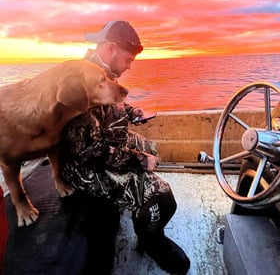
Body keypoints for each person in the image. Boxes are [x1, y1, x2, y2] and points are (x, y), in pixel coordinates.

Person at [58, 21, 190, 274]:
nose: (131, 65)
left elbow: (110, 105)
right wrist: (139, 161)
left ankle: (136, 205)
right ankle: (151, 240)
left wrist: (131, 111)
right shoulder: (81, 82)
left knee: (151, 147)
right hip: (85, 170)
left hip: (109, 144)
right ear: (111, 48)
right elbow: (90, 151)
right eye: (129, 58)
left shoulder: (102, 73)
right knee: (162, 196)